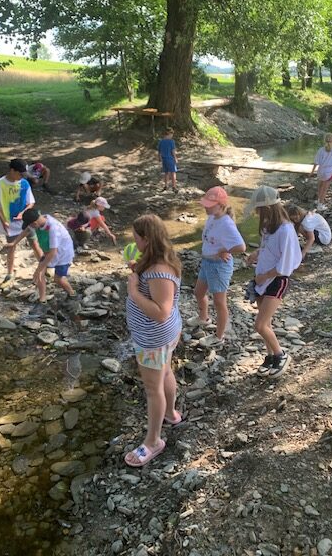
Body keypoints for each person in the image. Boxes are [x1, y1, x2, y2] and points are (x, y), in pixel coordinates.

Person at [125, 214, 182, 467]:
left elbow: (161, 313)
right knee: (165, 371)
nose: (134, 241)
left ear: (146, 238)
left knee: (152, 389)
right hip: (162, 337)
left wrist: (133, 292)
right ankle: (170, 414)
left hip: (153, 339)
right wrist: (137, 273)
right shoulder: (155, 262)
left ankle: (153, 442)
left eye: (136, 237)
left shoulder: (159, 270)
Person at [246, 186, 302, 378]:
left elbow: (285, 265)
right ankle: (270, 356)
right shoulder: (269, 227)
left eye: (259, 210)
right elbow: (269, 249)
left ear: (268, 208)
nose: (257, 213)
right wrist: (257, 254)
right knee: (266, 323)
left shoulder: (286, 230)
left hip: (276, 281)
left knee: (260, 325)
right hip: (262, 280)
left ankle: (280, 355)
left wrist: (264, 276)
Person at [187, 186, 246, 345]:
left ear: (220, 205)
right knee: (199, 292)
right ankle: (203, 318)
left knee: (219, 302)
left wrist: (224, 250)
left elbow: (241, 247)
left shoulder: (226, 223)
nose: (205, 207)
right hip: (207, 262)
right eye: (205, 204)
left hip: (219, 266)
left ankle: (219, 337)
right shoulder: (213, 217)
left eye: (209, 205)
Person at [9, 208, 76, 313]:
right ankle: (42, 301)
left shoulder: (53, 228)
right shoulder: (40, 220)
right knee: (40, 275)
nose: (30, 227)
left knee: (58, 279)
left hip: (63, 254)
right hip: (48, 251)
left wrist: (39, 269)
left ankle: (72, 294)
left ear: (35, 223)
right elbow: (27, 230)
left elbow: (53, 252)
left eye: (31, 225)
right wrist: (14, 243)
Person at [0, 158, 40, 283]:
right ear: (12, 170)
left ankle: (45, 266)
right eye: (20, 174)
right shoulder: (0, 184)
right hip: (9, 223)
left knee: (34, 243)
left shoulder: (24, 183)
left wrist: (23, 213)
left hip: (27, 221)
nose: (22, 176)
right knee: (11, 247)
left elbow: (31, 202)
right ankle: (10, 274)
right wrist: (3, 221)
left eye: (23, 174)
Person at [310, 133, 332, 211]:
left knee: (320, 186)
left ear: (324, 140)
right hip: (329, 172)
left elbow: (316, 162)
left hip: (321, 171)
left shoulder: (321, 150)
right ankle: (320, 205)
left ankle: (318, 200)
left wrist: (312, 172)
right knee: (324, 189)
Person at [157, 128, 178, 193]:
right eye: (172, 134)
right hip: (170, 159)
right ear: (169, 134)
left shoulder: (161, 141)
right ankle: (174, 187)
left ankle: (166, 185)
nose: (172, 135)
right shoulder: (171, 141)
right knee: (173, 173)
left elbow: (159, 151)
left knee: (166, 173)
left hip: (164, 160)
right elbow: (173, 151)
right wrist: (175, 158)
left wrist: (159, 158)